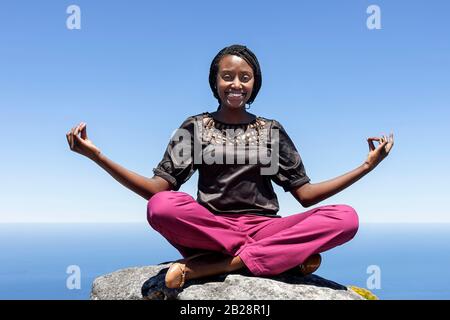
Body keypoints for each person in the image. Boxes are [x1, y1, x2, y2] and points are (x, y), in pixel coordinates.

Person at [66, 44, 394, 290]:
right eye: (227, 76)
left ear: (255, 84)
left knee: (346, 217)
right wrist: (98, 157)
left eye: (245, 77)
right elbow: (157, 189)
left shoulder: (271, 130)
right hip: (211, 230)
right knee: (161, 206)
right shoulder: (194, 128)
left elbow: (305, 195)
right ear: (215, 82)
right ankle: (277, 257)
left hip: (264, 226)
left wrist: (365, 166)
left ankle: (217, 267)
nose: (236, 84)